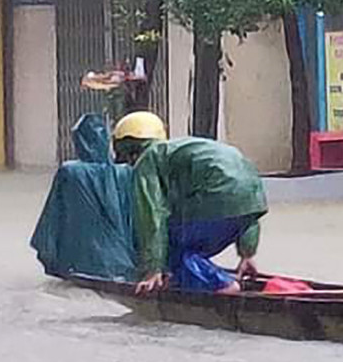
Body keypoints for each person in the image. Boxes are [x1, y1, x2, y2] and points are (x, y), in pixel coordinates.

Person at [111, 112, 268, 296]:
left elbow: (152, 217)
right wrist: (247, 253)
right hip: (253, 197)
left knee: (172, 244)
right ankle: (188, 276)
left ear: (129, 150)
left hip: (216, 196)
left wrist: (153, 269)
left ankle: (220, 285)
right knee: (186, 240)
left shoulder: (149, 158)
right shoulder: (182, 149)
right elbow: (246, 204)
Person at [30, 114, 138, 281]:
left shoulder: (69, 171)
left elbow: (53, 216)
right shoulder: (124, 172)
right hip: (122, 263)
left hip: (79, 262)